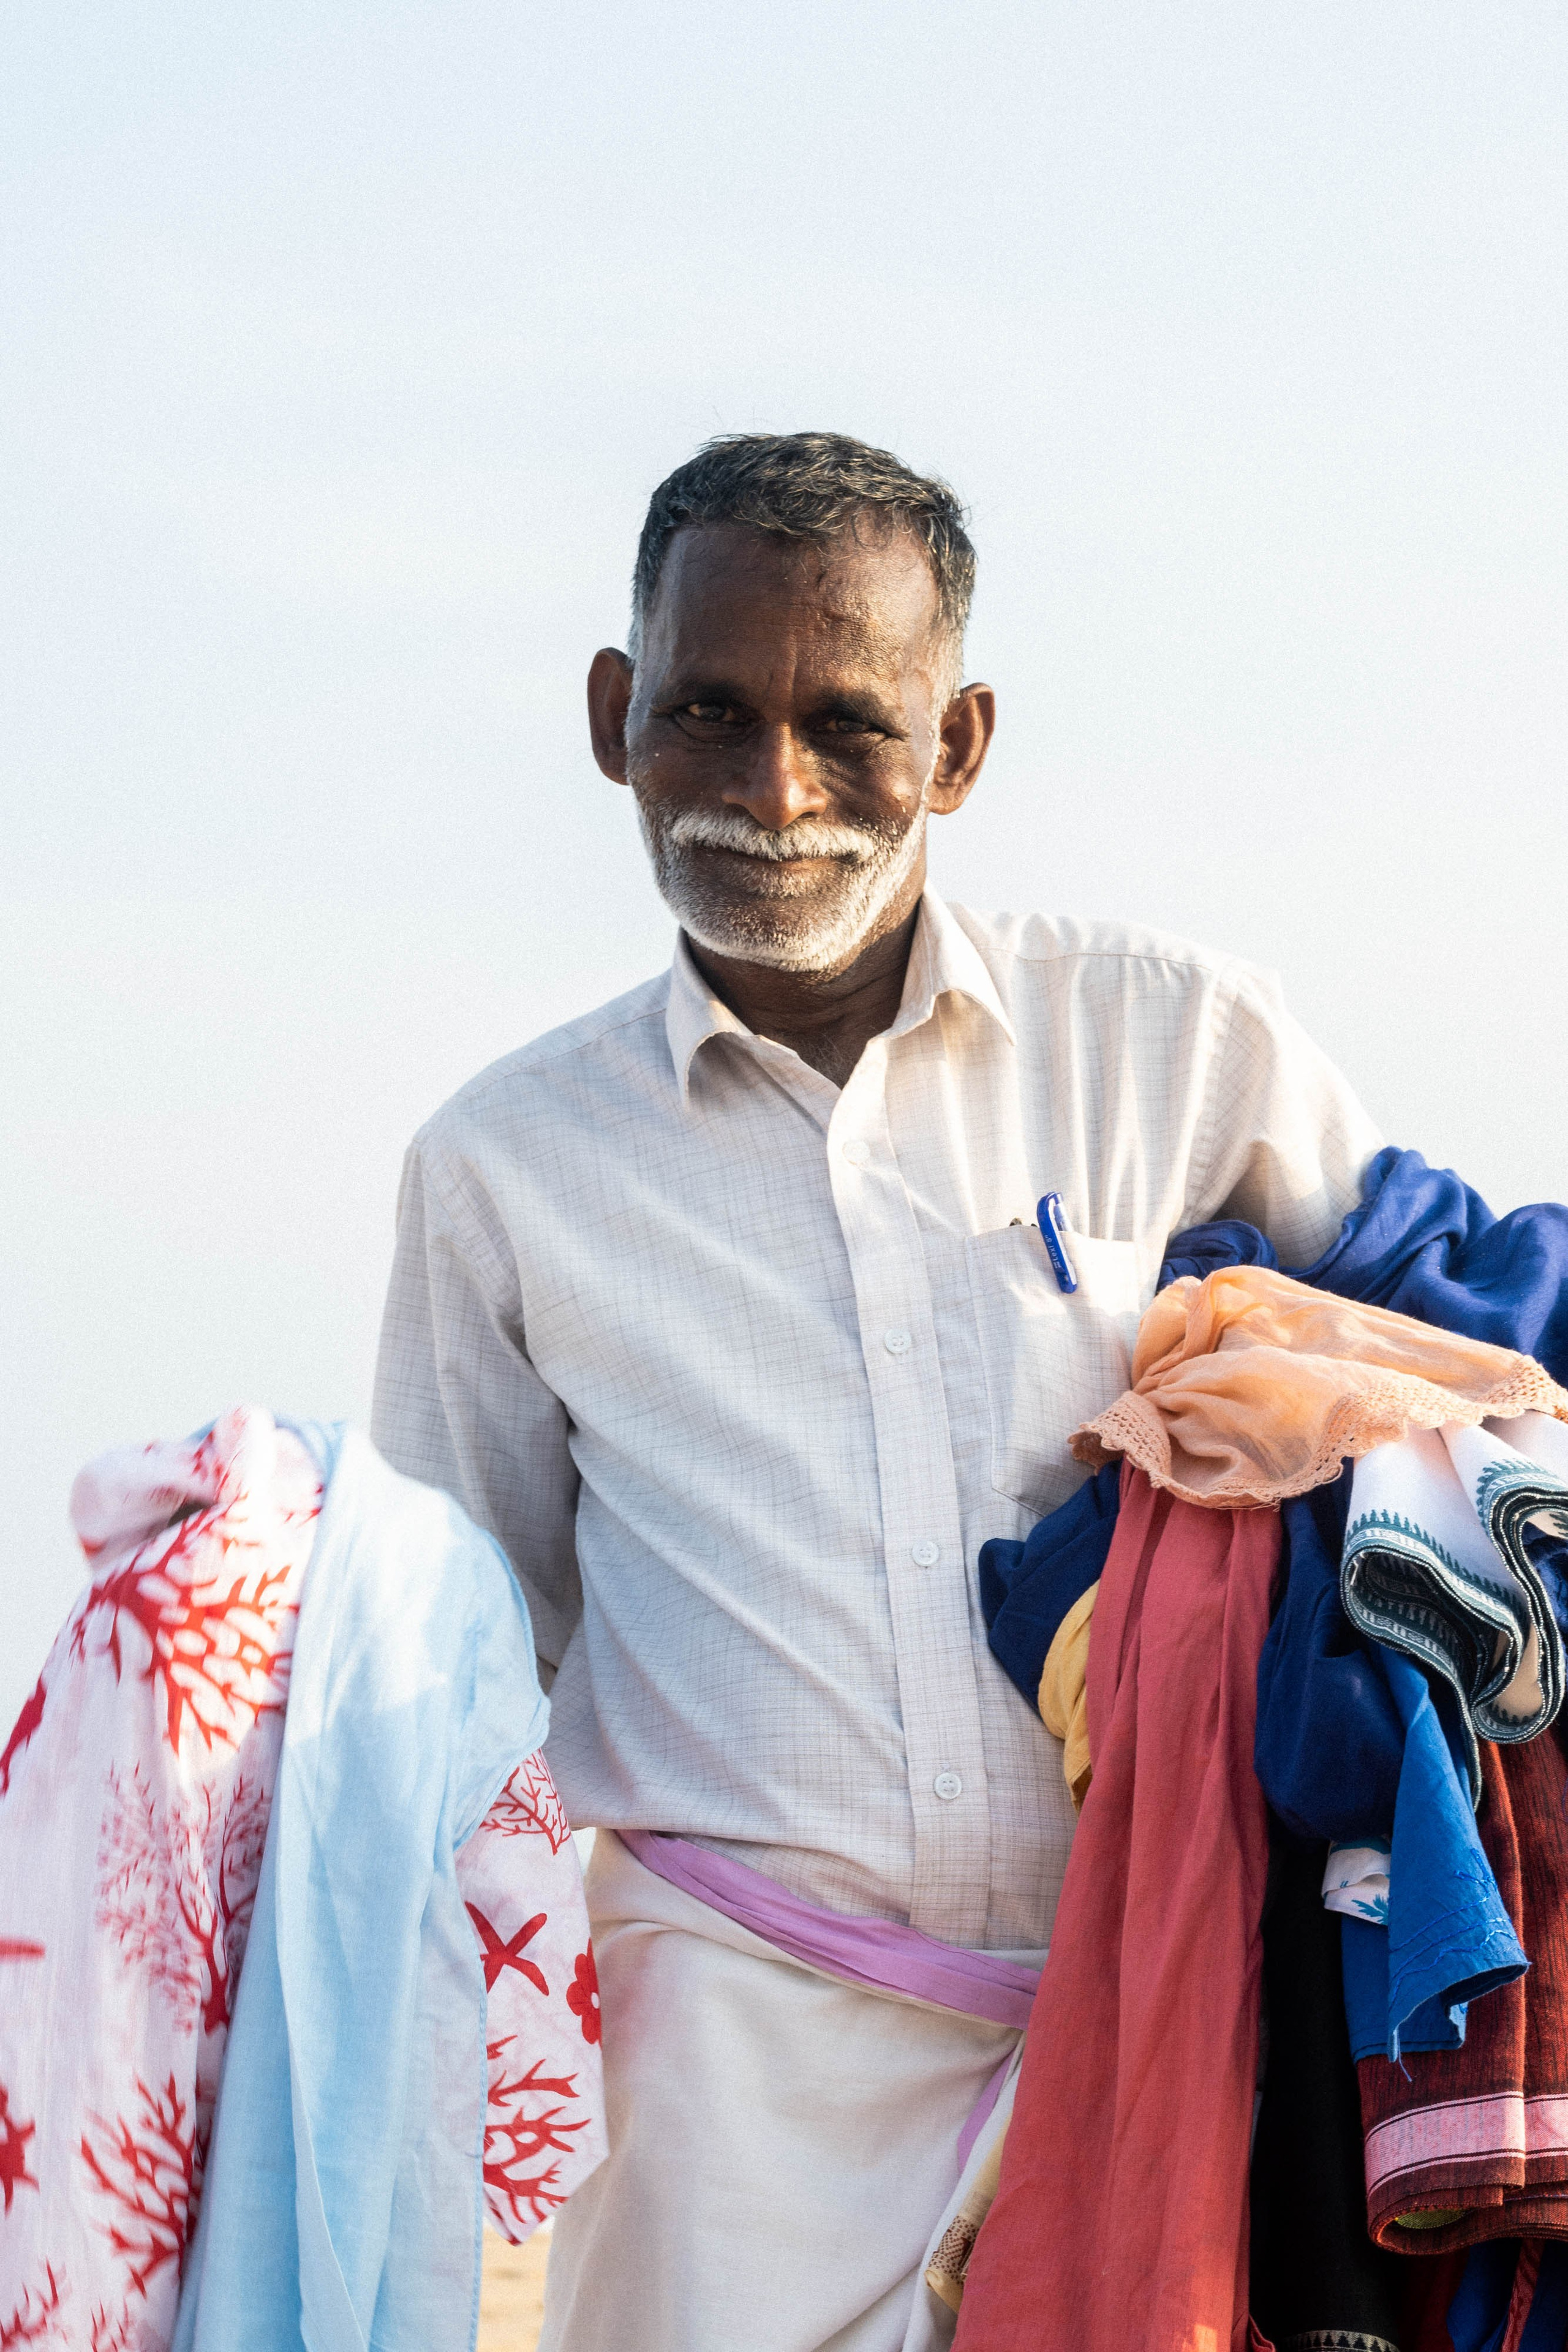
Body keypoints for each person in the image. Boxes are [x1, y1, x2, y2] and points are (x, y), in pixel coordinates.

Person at [370, 431, 1379, 2351]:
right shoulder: (503, 1169)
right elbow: (456, 1677)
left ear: (964, 743)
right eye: (709, 714)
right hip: (723, 2096)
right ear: (614, 716)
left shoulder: (1183, 1050)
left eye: (852, 725)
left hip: (1169, 2049)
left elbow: (1423, 1412)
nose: (775, 792)